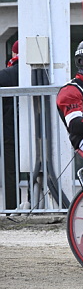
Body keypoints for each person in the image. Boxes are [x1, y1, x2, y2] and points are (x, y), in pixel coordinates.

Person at [0, 40, 19, 210]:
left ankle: (12, 208)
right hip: (37, 132)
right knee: (37, 168)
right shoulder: (38, 73)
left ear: (13, 54)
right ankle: (34, 203)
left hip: (8, 130)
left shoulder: (4, 75)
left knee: (10, 171)